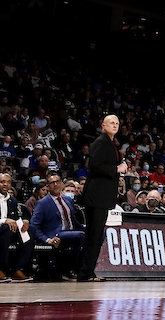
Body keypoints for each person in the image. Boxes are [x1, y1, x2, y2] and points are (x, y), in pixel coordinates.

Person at [78, 114, 128, 282]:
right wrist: (117, 169)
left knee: (96, 235)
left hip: (101, 196)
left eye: (117, 123)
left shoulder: (110, 142)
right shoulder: (101, 141)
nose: (115, 125)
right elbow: (95, 165)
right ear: (103, 125)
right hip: (96, 196)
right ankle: (85, 273)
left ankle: (87, 272)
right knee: (94, 235)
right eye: (111, 123)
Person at [30, 174, 84, 278]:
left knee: (98, 233)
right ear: (48, 187)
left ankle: (90, 267)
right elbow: (34, 225)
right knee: (80, 235)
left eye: (57, 181)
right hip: (55, 233)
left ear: (62, 184)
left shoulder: (68, 200)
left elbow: (74, 222)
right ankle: (70, 267)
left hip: (71, 231)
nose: (55, 184)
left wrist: (87, 227)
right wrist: (46, 239)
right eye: (52, 183)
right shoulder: (43, 203)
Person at [0, 173, 34, 282]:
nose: (5, 185)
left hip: (8, 229)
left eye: (8, 182)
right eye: (2, 182)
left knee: (30, 230)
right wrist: (4, 221)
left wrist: (24, 222)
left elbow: (15, 218)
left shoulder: (13, 200)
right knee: (5, 229)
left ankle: (17, 268)